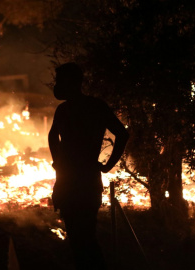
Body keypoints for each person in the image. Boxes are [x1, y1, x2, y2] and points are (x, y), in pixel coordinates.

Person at [48, 62, 129, 269]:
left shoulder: (69, 109)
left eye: (60, 81)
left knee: (82, 239)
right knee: (81, 237)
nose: (57, 86)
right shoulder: (92, 106)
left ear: (73, 83)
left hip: (75, 182)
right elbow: (122, 133)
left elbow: (52, 136)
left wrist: (58, 161)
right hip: (83, 180)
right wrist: (107, 164)